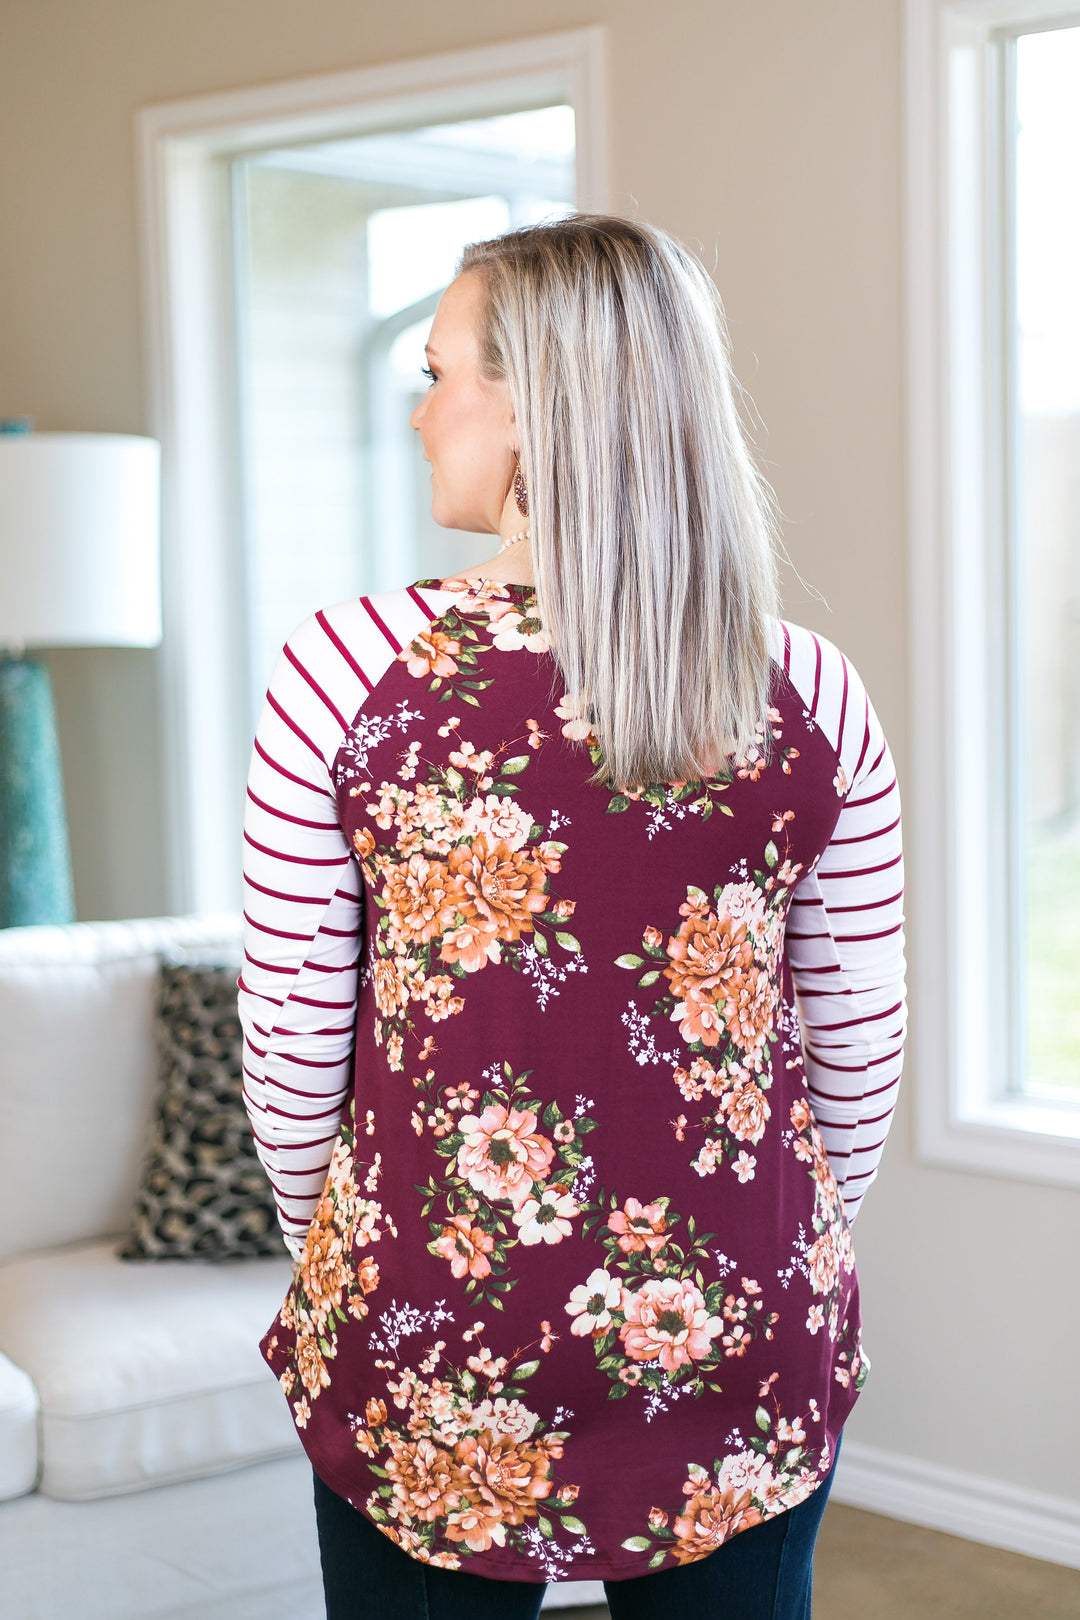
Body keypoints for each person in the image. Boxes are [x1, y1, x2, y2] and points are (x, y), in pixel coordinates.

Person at [238, 215, 906, 1620]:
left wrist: (349, 1251)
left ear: (537, 403)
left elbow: (297, 1046)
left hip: (436, 1340)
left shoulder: (346, 671)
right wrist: (771, 1243)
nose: (422, 415)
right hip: (736, 1329)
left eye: (441, 373)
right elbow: (857, 1050)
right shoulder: (810, 686)